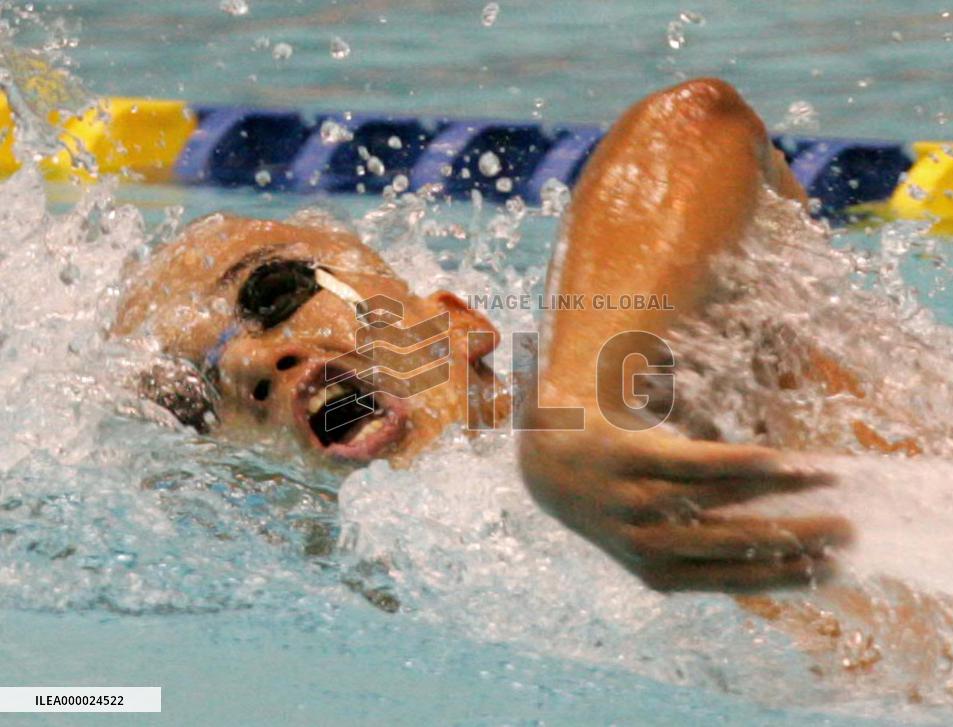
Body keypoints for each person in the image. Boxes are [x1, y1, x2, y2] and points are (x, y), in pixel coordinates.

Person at [112, 78, 877, 592]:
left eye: (271, 291)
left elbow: (700, 125)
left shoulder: (669, 391)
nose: (249, 359)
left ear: (458, 324)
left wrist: (580, 417)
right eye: (194, 396)